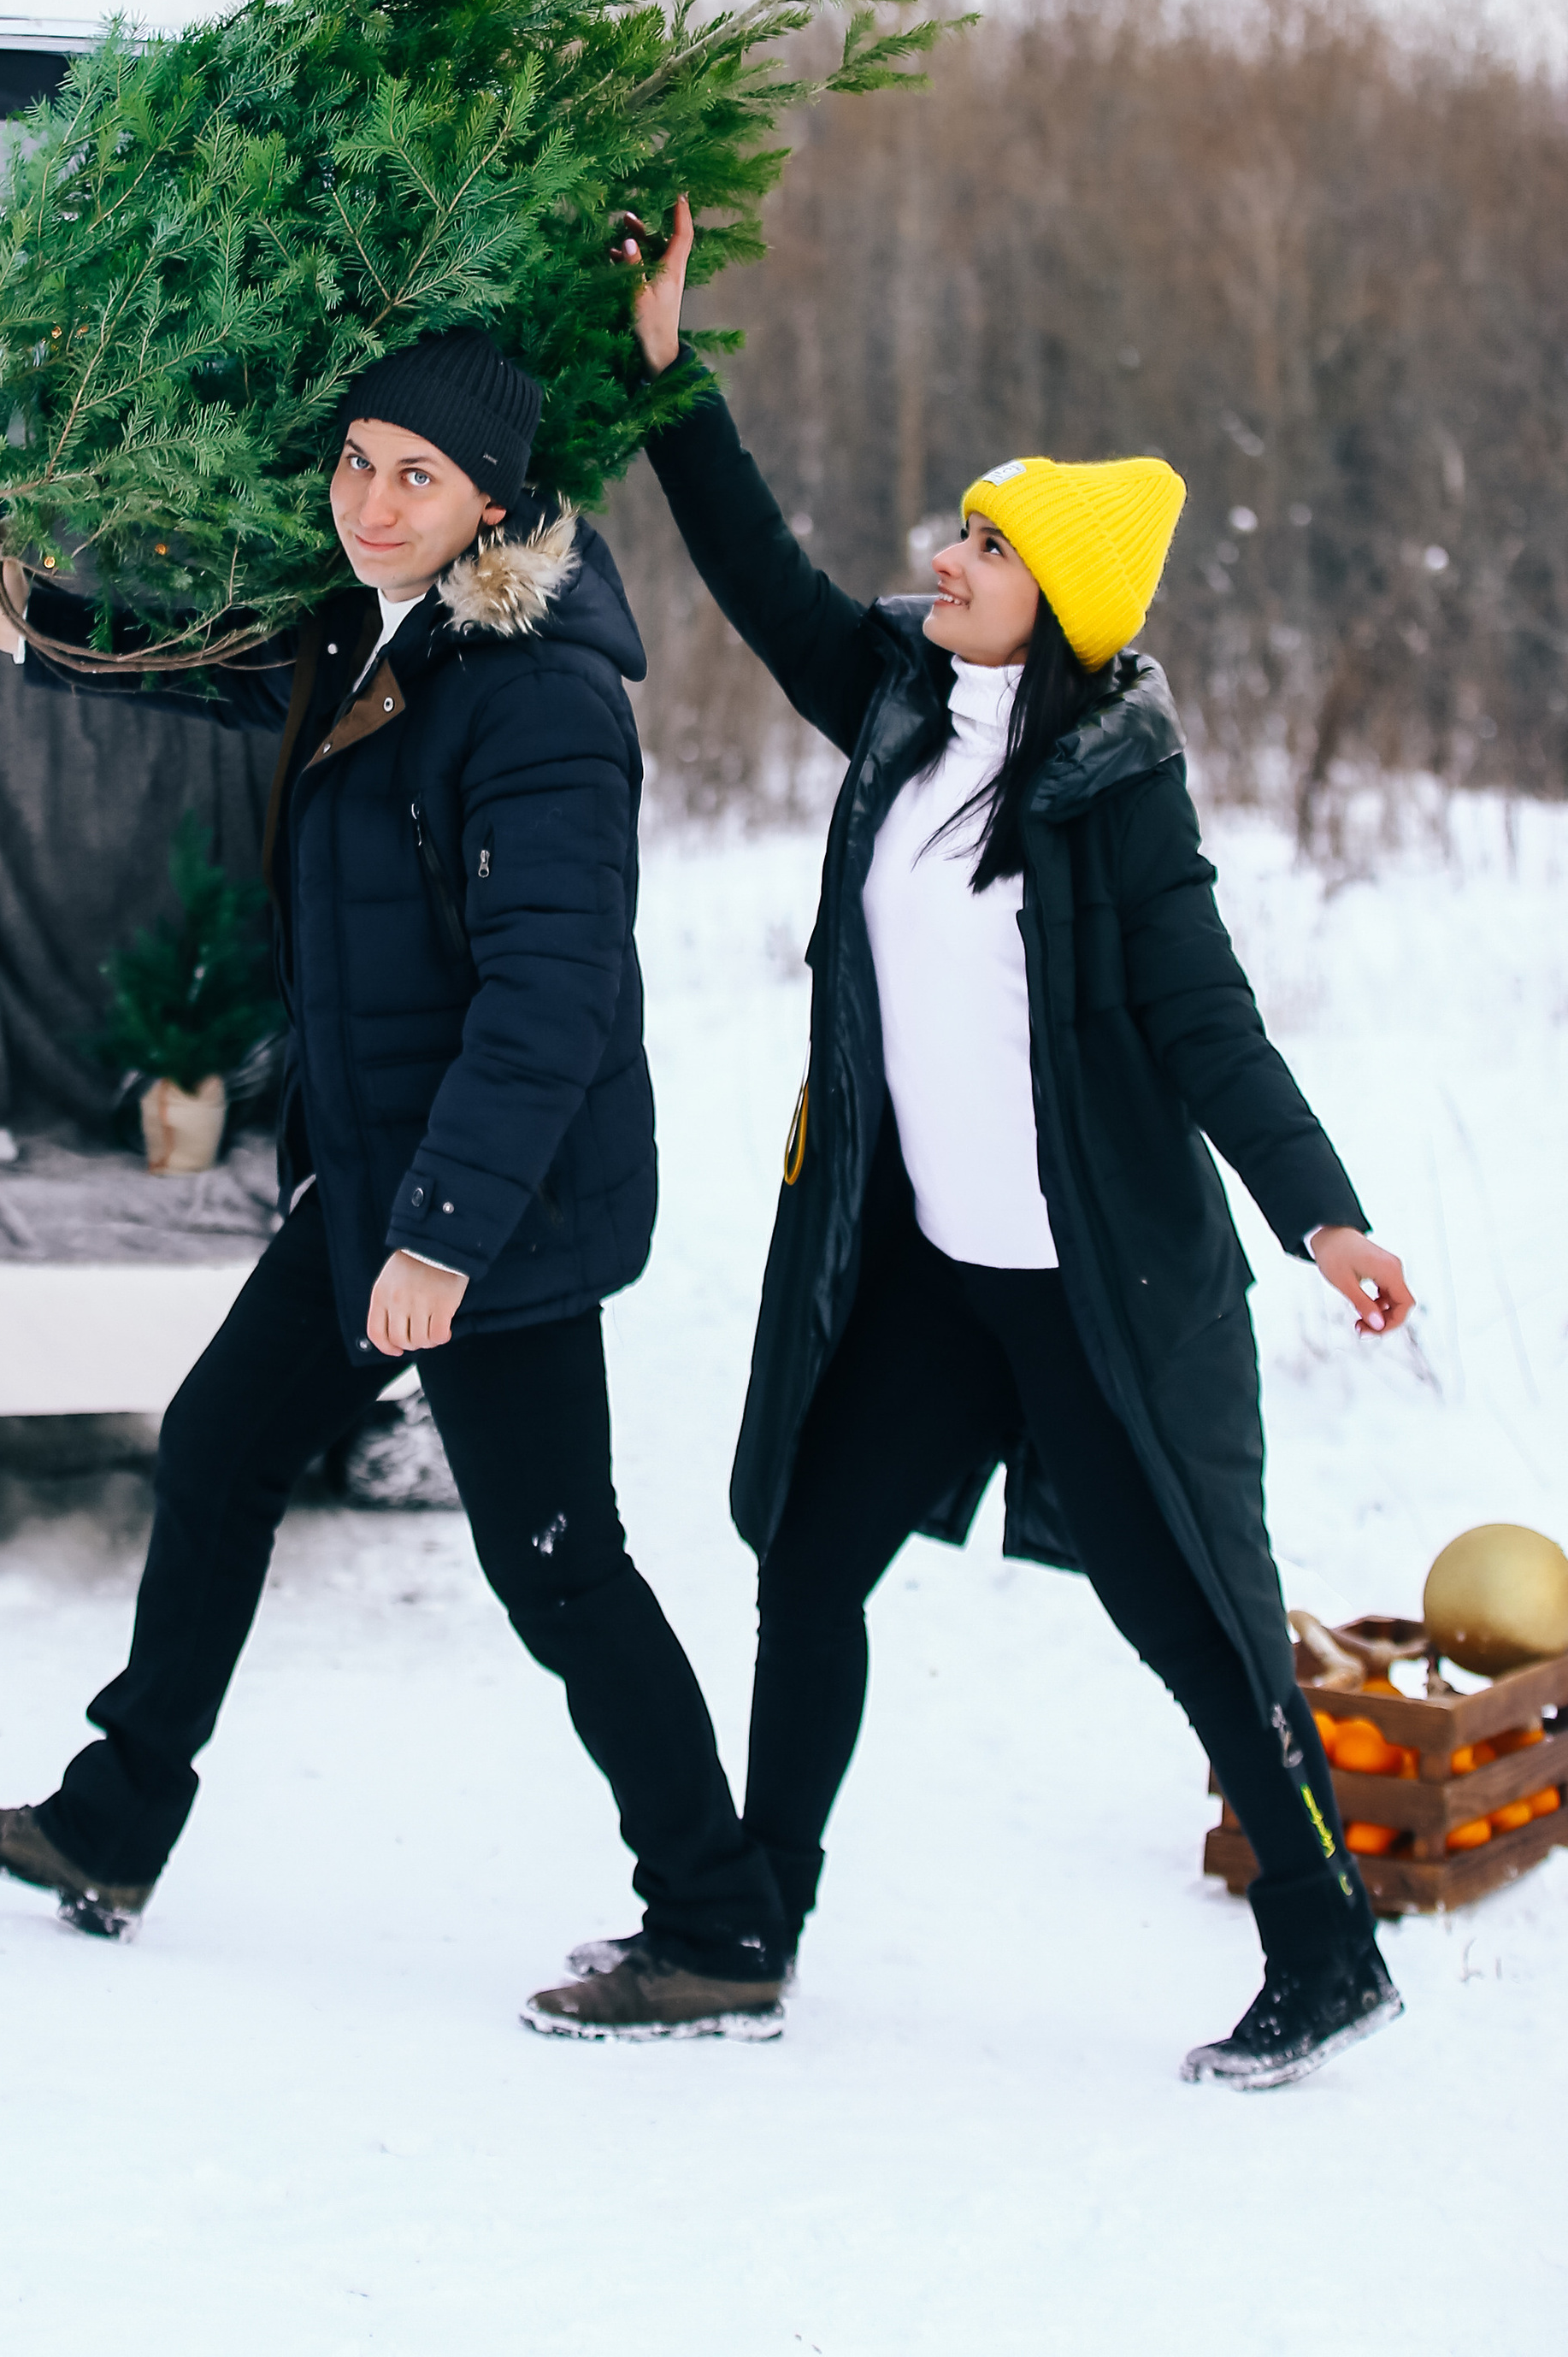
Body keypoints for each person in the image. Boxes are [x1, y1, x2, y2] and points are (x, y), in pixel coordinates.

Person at [598, 195, 1413, 2090]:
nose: (941, 555)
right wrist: (665, 372)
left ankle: (1327, 1954)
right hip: (925, 1272)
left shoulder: (1110, 789)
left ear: (1059, 593)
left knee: (1185, 1617)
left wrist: (1320, 1216)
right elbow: (754, 567)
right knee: (806, 1563)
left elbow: (1203, 1022)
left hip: (1091, 1292)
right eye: (953, 529)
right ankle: (757, 1921)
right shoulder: (889, 703)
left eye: (981, 541)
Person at [0, 329, 789, 2037]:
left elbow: (549, 1000)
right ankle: (111, 1828)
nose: (368, 501)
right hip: (379, 1179)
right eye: (357, 460)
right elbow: (190, 664)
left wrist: (442, 1240)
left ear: (489, 508)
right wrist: (17, 611)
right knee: (222, 1446)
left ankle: (718, 1921)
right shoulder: (362, 631)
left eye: (416, 477)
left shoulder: (538, 705)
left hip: (494, 1208)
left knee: (555, 1566)